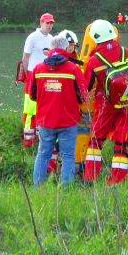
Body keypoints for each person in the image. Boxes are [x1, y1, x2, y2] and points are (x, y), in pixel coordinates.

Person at [82, 19, 128, 184]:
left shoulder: (94, 61)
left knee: (96, 140)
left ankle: (90, 178)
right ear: (112, 35)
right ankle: (117, 180)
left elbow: (86, 87)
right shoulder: (127, 52)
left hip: (105, 105)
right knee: (121, 139)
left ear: (94, 37)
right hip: (127, 102)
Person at [28, 34, 87, 185]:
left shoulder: (38, 69)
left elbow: (32, 95)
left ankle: (37, 189)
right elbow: (83, 97)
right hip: (68, 121)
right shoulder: (73, 69)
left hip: (46, 120)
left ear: (51, 48)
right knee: (68, 156)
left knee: (42, 155)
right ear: (66, 48)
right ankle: (66, 191)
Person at [20, 13, 56, 147]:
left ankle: (41, 140)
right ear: (41, 23)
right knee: (30, 109)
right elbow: (25, 57)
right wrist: (27, 74)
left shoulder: (52, 39)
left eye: (51, 23)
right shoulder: (32, 37)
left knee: (44, 107)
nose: (49, 25)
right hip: (32, 75)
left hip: (46, 77)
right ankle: (28, 141)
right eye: (47, 23)